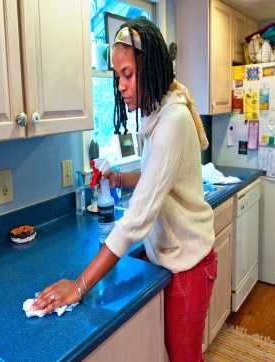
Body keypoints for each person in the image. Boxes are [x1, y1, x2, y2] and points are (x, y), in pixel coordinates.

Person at [33, 17, 216, 362]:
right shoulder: (159, 114)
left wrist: (80, 285)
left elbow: (135, 220)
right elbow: (153, 177)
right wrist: (117, 178)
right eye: (117, 76)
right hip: (171, 256)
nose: (120, 86)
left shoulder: (173, 122)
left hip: (189, 264)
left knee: (184, 358)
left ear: (151, 68)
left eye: (127, 74)